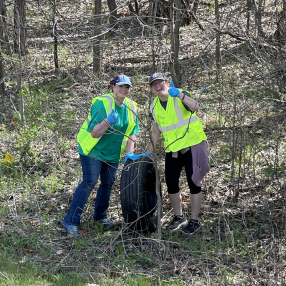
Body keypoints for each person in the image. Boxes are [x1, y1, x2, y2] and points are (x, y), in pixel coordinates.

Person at [61, 74, 140, 236]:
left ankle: (100, 216)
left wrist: (129, 153)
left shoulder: (132, 106)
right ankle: (70, 220)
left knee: (107, 183)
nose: (124, 90)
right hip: (93, 150)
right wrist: (108, 121)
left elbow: (132, 132)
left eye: (127, 87)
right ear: (113, 87)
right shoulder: (102, 103)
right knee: (89, 181)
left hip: (112, 153)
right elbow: (95, 133)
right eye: (120, 86)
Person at [147, 72, 210, 234]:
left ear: (167, 83)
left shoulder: (179, 94)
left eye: (160, 82)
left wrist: (180, 95)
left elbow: (196, 107)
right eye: (154, 84)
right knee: (171, 183)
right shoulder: (154, 105)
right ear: (152, 88)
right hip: (173, 149)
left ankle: (194, 221)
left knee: (194, 182)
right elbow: (156, 132)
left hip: (192, 145)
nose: (157, 86)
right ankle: (179, 217)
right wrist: (147, 154)